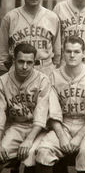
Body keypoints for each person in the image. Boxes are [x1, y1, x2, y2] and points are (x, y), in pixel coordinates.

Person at [35, 36, 85, 173]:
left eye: (76, 51)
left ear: (83, 54)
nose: (72, 55)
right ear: (63, 53)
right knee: (43, 151)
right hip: (63, 124)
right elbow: (53, 112)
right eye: (68, 51)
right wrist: (61, 136)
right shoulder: (53, 76)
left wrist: (79, 136)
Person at [0, 43, 50, 173]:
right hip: (17, 126)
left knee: (33, 157)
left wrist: (29, 140)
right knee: (2, 152)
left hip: (39, 129)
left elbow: (41, 114)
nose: (25, 66)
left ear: (34, 63)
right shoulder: (2, 81)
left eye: (29, 62)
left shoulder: (43, 80)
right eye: (21, 61)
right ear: (13, 60)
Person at [0, 0, 61, 76]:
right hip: (17, 72)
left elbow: (57, 55)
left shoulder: (52, 17)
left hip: (45, 71)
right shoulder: (10, 18)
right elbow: (3, 54)